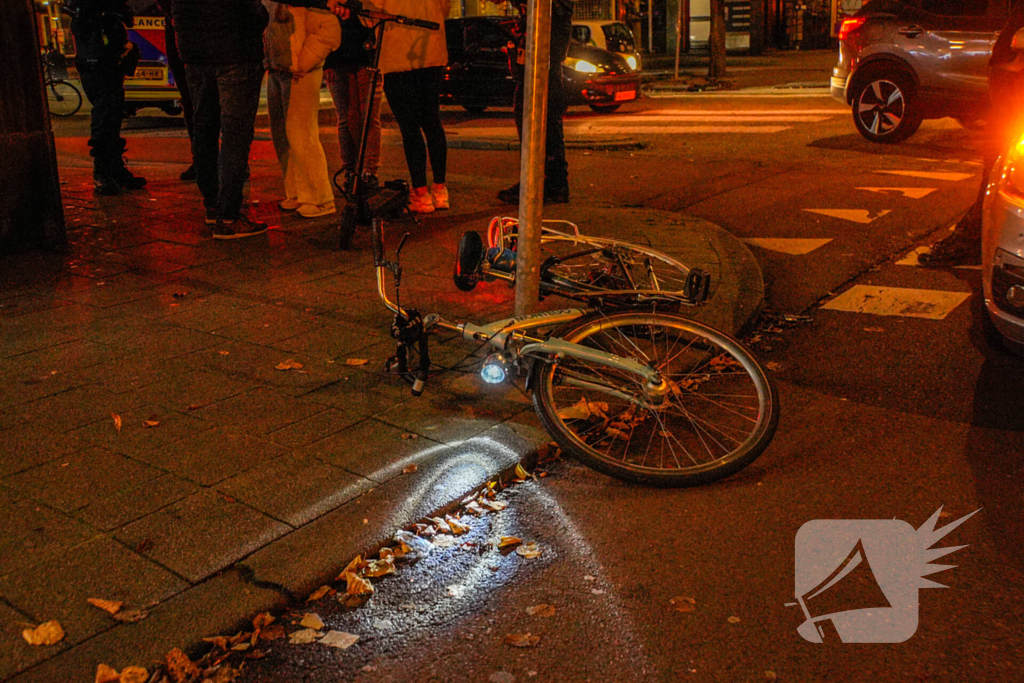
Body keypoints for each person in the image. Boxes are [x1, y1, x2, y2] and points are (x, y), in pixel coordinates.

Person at [920, 3, 1024, 266]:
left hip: (1013, 101)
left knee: (1001, 171)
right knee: (998, 170)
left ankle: (977, 239)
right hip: (1012, 103)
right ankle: (977, 238)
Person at [264, 2, 342, 218]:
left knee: (301, 134)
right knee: (283, 136)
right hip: (278, 67)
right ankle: (297, 193)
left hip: (297, 70)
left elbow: (328, 29)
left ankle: (320, 198)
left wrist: (302, 62)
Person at [374, 0, 451, 214]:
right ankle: (440, 189)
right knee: (432, 122)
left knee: (410, 128)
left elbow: (370, 12)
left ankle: (421, 194)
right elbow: (445, 8)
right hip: (431, 48)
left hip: (399, 54)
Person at [64, 0, 147, 196]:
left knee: (114, 109)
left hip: (107, 45)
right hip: (97, 49)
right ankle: (102, 172)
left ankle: (113, 168)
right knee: (105, 110)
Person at [497, 0, 574, 206]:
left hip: (543, 65)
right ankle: (541, 182)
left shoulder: (551, 8)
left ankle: (550, 184)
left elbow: (556, 31)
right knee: (534, 123)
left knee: (545, 126)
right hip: (537, 63)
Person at [324, 11, 381, 193]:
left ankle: (368, 171)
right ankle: (351, 171)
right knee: (346, 118)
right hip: (338, 58)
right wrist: (328, 62)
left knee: (367, 116)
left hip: (365, 58)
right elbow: (323, 25)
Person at [156, 0, 197, 181]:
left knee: (205, 101)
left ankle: (226, 162)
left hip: (197, 31)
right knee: (190, 101)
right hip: (180, 30)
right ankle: (202, 158)